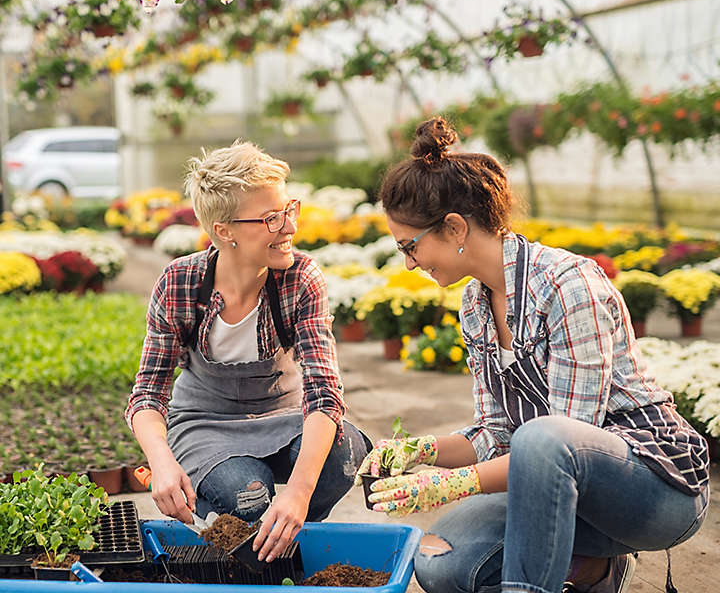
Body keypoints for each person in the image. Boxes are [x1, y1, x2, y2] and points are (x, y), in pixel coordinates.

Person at [355, 117, 709, 593]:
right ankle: (592, 571)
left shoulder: (568, 286)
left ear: (455, 226)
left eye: (410, 247)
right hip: (558, 491)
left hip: (651, 487)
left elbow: (563, 441)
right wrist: (424, 452)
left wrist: (454, 484)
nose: (409, 263)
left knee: (543, 439)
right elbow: (497, 433)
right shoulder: (476, 303)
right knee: (443, 562)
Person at [126, 140, 369, 564]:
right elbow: (147, 393)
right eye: (271, 218)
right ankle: (257, 548)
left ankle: (280, 538)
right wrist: (162, 463)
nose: (289, 226)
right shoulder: (180, 283)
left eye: (289, 209)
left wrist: (297, 493)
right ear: (225, 231)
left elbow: (324, 396)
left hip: (284, 415)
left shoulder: (300, 279)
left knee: (341, 456)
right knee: (246, 497)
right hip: (206, 423)